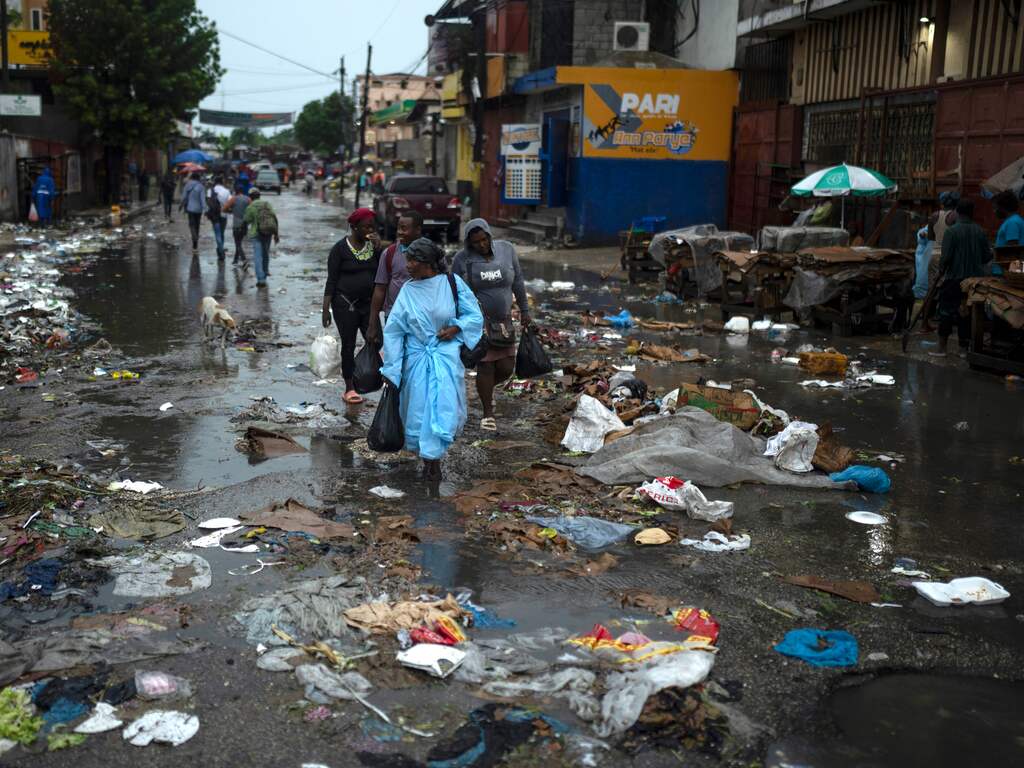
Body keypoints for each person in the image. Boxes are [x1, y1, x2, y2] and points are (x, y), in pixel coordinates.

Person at [381, 237, 483, 479]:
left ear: (427, 263)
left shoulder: (452, 283)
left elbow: (474, 315)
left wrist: (455, 328)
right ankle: (428, 460)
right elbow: (394, 331)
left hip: (445, 359)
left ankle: (434, 460)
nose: (407, 266)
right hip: (416, 361)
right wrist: (392, 370)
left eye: (412, 261)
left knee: (442, 408)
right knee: (418, 411)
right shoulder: (407, 290)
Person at [451, 218, 531, 432]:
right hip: (479, 322)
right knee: (485, 365)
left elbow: (518, 281)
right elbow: (454, 291)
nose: (482, 245)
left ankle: (486, 391)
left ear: (489, 236)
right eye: (476, 242)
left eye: (484, 239)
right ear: (469, 243)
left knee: (506, 367)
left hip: (504, 322)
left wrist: (525, 310)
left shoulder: (507, 250)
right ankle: (488, 413)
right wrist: (459, 322)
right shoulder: (462, 259)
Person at [322, 208, 382, 404]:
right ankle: (350, 387)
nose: (370, 230)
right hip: (344, 305)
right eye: (366, 227)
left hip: (368, 305)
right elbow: (331, 279)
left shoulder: (374, 248)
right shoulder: (339, 249)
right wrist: (325, 308)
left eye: (372, 226)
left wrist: (379, 248)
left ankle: (364, 373)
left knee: (375, 340)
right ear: (354, 227)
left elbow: (382, 275)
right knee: (348, 345)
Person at [932, 198, 992, 358]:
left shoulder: (951, 232)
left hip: (954, 279)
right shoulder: (980, 231)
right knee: (966, 313)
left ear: (957, 212)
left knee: (945, 312)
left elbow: (945, 258)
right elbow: (987, 256)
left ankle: (942, 349)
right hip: (974, 281)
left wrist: (940, 272)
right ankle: (963, 349)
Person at [367, 210, 423, 345]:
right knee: (394, 359)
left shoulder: (432, 255)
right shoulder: (389, 253)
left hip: (423, 318)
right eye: (398, 228)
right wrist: (373, 323)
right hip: (394, 317)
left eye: (404, 229)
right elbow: (380, 289)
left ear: (417, 230)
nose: (399, 232)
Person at [242, 189, 279, 287]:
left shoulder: (251, 206)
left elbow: (247, 219)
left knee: (258, 256)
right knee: (266, 253)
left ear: (250, 197)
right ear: (259, 196)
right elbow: (274, 217)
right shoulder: (267, 204)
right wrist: (276, 233)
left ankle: (261, 279)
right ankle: (265, 273)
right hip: (268, 232)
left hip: (256, 234)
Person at [223, 184, 251, 265]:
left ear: (236, 191)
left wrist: (232, 211)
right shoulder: (248, 199)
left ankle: (244, 260)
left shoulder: (234, 199)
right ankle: (235, 260)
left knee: (237, 243)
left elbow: (224, 208)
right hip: (245, 224)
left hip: (236, 224)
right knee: (239, 242)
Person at [179, 172, 205, 252]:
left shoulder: (187, 185)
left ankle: (194, 240)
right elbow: (202, 200)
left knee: (192, 225)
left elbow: (183, 197)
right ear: (198, 178)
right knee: (197, 225)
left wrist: (181, 205)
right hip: (199, 210)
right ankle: (195, 243)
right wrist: (206, 209)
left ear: (192, 178)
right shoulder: (201, 186)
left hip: (190, 209)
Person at [207, 175, 230, 260]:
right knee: (222, 233)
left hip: (214, 216)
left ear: (215, 182)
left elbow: (208, 203)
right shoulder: (226, 191)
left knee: (217, 234)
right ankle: (221, 250)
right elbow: (229, 203)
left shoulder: (210, 190)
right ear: (222, 182)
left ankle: (220, 251)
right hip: (224, 215)